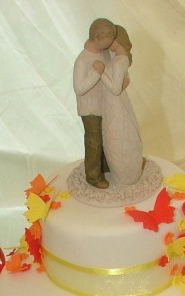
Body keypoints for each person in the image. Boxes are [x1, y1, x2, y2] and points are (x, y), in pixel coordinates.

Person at [73, 18, 117, 189]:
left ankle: (104, 166)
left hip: (104, 104)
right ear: (97, 38)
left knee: (106, 136)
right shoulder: (83, 60)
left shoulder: (103, 53)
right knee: (94, 141)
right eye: (109, 38)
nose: (111, 42)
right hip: (90, 108)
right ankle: (93, 175)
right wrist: (96, 74)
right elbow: (79, 88)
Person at [98, 25, 143, 186]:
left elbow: (115, 88)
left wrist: (101, 72)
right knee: (117, 134)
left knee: (118, 134)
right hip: (114, 102)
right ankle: (122, 172)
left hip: (115, 102)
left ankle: (125, 174)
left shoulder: (120, 60)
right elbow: (124, 78)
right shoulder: (117, 57)